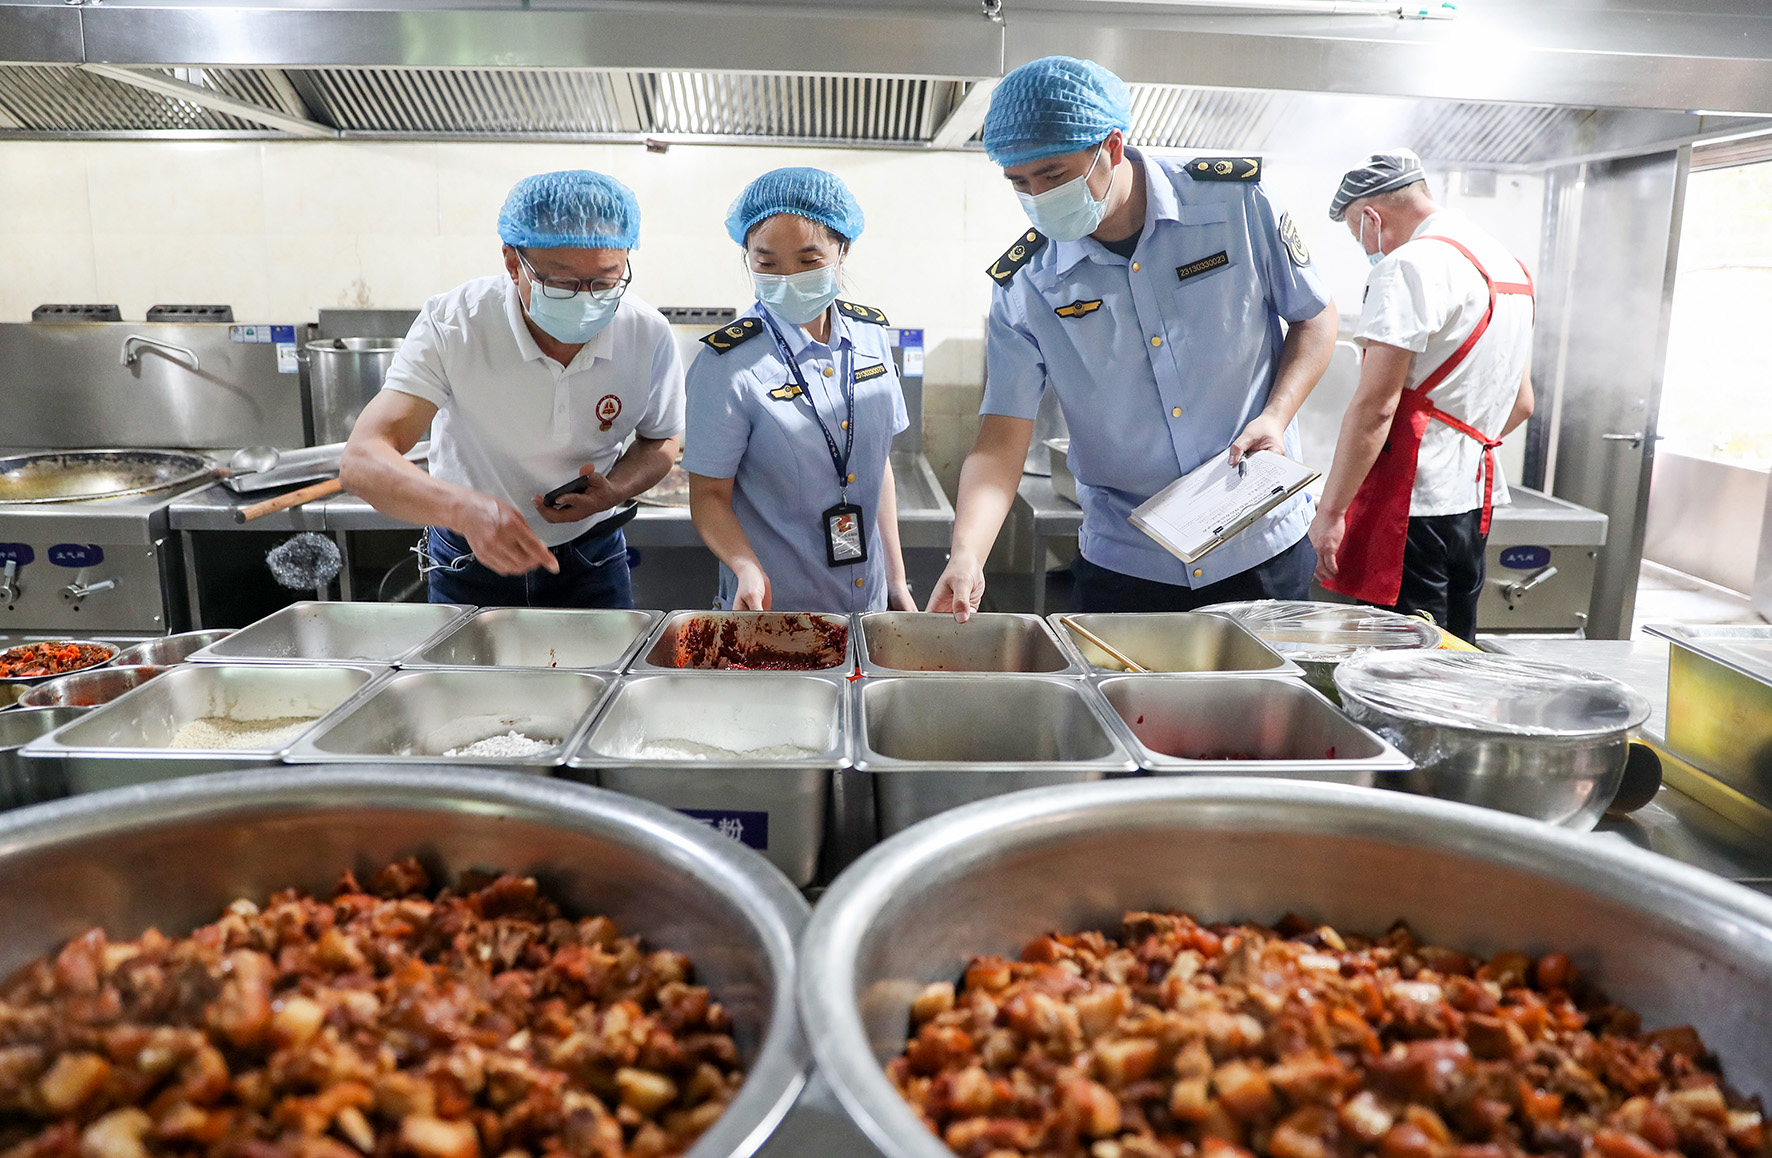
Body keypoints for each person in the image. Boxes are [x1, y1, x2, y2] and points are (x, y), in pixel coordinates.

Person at [926, 56, 1339, 620]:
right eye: (1019, 183)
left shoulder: (1236, 206)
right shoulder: (1028, 282)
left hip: (1258, 542)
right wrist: (968, 555)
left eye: (1053, 175)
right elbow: (1000, 440)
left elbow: (1315, 317)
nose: (1038, 196)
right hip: (1128, 564)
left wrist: (1277, 416)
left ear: (1112, 147)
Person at [341, 170, 684, 608]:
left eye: (604, 281)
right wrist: (465, 510)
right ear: (512, 262)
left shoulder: (645, 333)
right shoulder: (456, 324)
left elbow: (661, 440)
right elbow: (362, 460)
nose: (584, 300)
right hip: (468, 558)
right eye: (560, 283)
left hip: (591, 556)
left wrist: (615, 489)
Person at [1307, 149, 1536, 642]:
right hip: (1473, 502)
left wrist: (1330, 514)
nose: (1367, 248)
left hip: (1412, 509)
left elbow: (1376, 408)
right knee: (1454, 656)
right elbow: (1522, 404)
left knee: (1402, 666)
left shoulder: (1409, 266)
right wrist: (1456, 448)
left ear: (1372, 218)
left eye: (1358, 234)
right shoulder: (1508, 267)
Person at [683, 167, 915, 613]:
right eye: (767, 264)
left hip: (868, 608)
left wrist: (897, 581)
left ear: (842, 250)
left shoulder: (871, 337)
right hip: (774, 611)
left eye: (809, 262)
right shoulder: (727, 363)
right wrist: (745, 567)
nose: (788, 278)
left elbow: (877, 465)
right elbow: (708, 496)